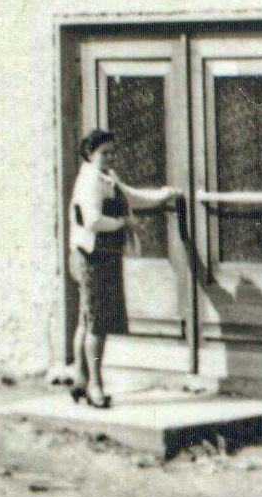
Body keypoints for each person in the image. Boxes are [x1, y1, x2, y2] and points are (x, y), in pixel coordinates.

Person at [67, 128, 179, 409]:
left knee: (87, 318)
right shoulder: (89, 180)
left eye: (113, 151)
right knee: (96, 322)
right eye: (105, 152)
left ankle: (80, 378)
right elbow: (92, 221)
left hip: (103, 254)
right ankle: (95, 385)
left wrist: (163, 195)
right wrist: (122, 224)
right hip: (93, 256)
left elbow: (131, 197)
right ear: (90, 153)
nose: (110, 157)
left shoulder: (107, 177)